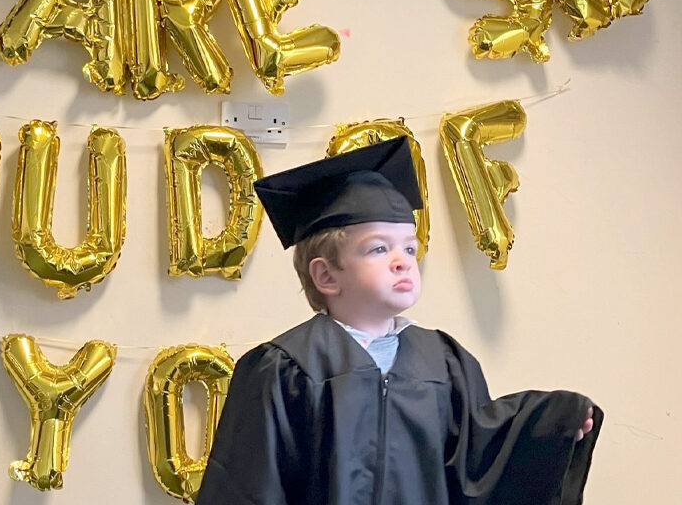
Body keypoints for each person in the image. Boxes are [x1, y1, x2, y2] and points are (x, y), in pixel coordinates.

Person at [194, 136, 600, 505]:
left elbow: (477, 463)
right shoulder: (283, 368)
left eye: (409, 246)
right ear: (326, 275)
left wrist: (547, 426)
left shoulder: (444, 362)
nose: (402, 260)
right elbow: (246, 487)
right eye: (377, 249)